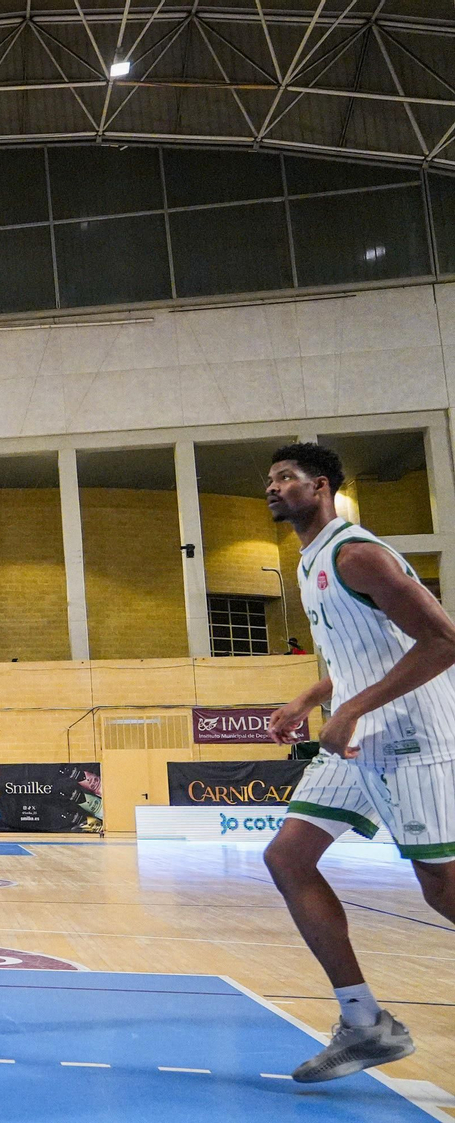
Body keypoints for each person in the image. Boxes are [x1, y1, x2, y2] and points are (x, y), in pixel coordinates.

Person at [260, 442, 455, 1082]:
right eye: (270, 479)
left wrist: (351, 709)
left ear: (321, 486)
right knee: (287, 857)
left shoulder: (356, 554)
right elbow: (363, 651)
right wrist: (315, 696)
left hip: (412, 735)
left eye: (286, 478)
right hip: (357, 735)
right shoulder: (310, 561)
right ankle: (365, 1023)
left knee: (443, 889)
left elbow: (443, 641)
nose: (273, 487)